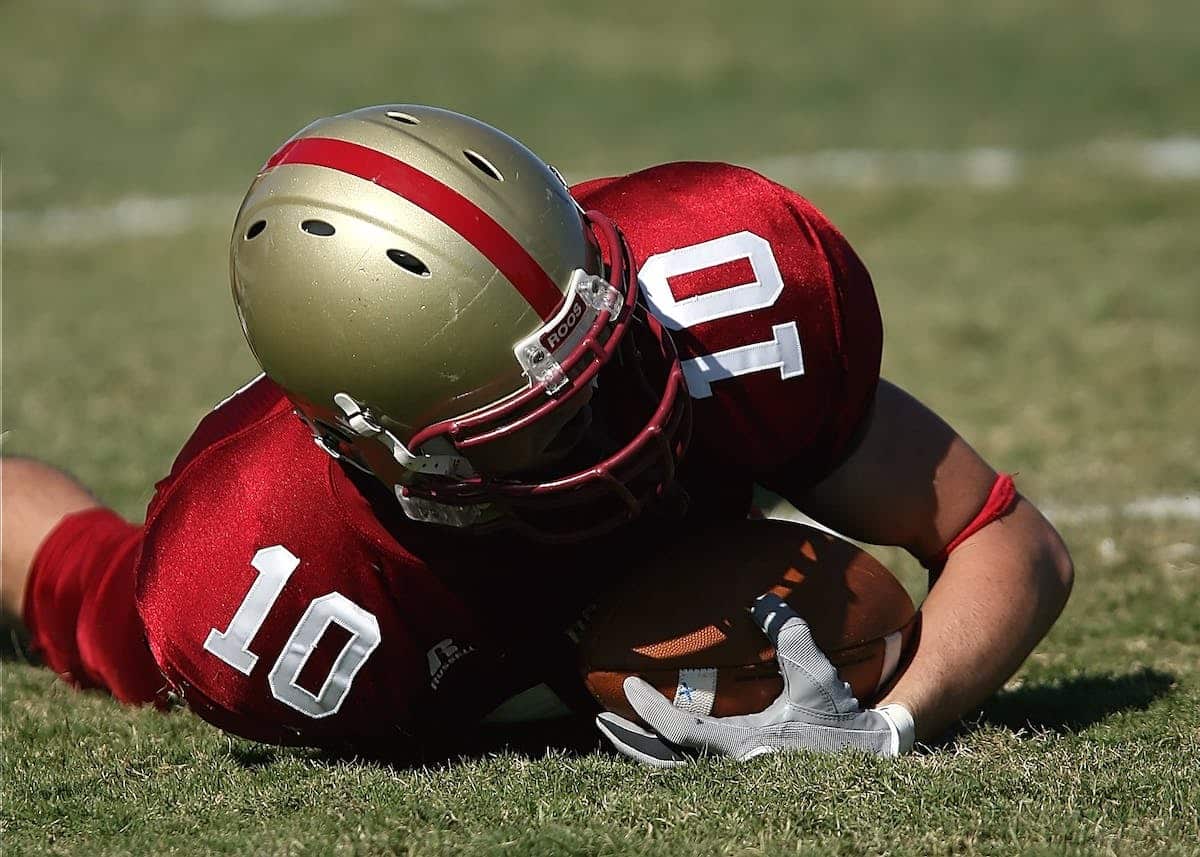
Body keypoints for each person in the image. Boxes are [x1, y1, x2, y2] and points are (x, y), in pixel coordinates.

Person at [1, 105, 1073, 762]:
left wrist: (887, 729)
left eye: (599, 356)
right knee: (92, 592)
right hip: (395, 571)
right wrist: (584, 675)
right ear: (381, 448)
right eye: (534, 421)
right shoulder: (264, 582)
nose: (610, 421)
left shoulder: (715, 291)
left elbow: (1005, 535)